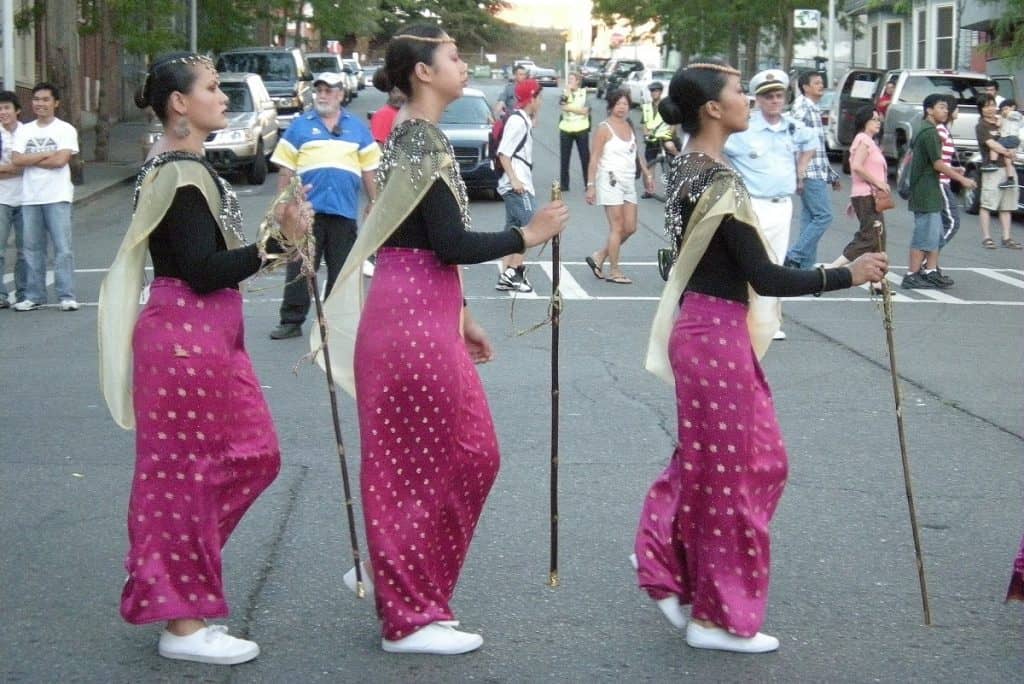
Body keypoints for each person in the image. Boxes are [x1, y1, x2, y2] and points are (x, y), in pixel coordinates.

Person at [317, 24, 568, 655]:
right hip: (409, 319)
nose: (463, 65)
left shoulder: (416, 136)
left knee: (471, 454)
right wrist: (526, 237)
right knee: (418, 464)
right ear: (423, 73)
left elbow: (428, 246)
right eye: (453, 57)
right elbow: (449, 243)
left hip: (425, 309)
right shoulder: (418, 139)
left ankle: (391, 568)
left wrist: (462, 316)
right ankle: (406, 614)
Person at [635, 61, 888, 654]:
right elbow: (764, 275)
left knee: (741, 462)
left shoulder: (689, 165)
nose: (748, 98)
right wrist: (844, 274)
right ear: (713, 110)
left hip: (705, 327)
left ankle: (667, 557)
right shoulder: (716, 180)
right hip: (713, 334)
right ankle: (714, 616)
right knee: (738, 471)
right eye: (738, 91)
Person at [97, 51, 310, 665]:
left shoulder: (189, 167)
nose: (224, 97)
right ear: (178, 105)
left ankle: (168, 575)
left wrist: (276, 237)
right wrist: (278, 243)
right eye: (213, 88)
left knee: (254, 457)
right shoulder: (176, 173)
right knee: (185, 479)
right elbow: (199, 268)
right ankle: (182, 623)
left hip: (208, 334)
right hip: (184, 338)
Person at [268, 72, 380, 339]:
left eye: (329, 90)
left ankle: (333, 322)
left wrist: (375, 202)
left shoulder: (357, 129)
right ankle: (291, 320)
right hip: (306, 212)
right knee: (301, 266)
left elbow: (370, 171)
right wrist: (282, 205)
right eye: (319, 90)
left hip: (343, 212)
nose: (323, 95)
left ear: (341, 94)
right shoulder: (299, 126)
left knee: (341, 270)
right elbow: (285, 170)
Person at [724, 69, 815, 339]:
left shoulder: (792, 126)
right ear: (758, 100)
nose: (775, 101)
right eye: (768, 97)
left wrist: (801, 168)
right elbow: (715, 147)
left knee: (775, 263)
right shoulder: (745, 128)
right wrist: (729, 175)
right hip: (753, 204)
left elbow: (811, 140)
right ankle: (743, 318)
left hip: (782, 204)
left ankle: (769, 323)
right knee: (752, 262)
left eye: (778, 95)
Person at [11, 82, 80, 311]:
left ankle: (66, 295)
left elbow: (61, 161)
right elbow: (17, 160)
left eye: (45, 99)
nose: (40, 104)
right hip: (30, 197)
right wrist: (47, 153)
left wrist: (34, 158)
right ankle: (34, 295)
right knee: (31, 249)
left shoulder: (65, 129)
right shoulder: (24, 130)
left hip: (57, 196)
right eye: (36, 99)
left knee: (63, 248)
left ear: (56, 103)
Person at [902, 94, 979, 289]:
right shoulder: (929, 132)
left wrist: (955, 171)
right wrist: (962, 179)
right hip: (925, 190)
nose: (945, 111)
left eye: (946, 108)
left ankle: (930, 271)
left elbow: (936, 163)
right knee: (923, 235)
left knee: (934, 234)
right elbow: (937, 163)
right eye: (941, 107)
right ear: (929, 110)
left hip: (932, 189)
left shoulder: (929, 130)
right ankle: (912, 274)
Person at [584, 88, 655, 285]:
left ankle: (599, 256)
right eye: (618, 103)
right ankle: (615, 271)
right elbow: (595, 157)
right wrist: (591, 185)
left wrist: (647, 173)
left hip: (628, 180)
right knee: (617, 226)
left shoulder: (629, 125)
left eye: (625, 104)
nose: (622, 107)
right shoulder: (604, 128)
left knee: (630, 227)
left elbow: (636, 152)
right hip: (609, 179)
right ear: (611, 105)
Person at [827, 106, 888, 291]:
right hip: (867, 195)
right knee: (869, 236)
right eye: (874, 119)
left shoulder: (869, 141)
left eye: (879, 119)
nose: (878, 123)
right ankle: (833, 267)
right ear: (865, 122)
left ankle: (877, 280)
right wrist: (878, 182)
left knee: (879, 236)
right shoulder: (863, 139)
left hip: (867, 195)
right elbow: (857, 166)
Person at [785, 71, 841, 270]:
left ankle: (804, 269)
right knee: (823, 216)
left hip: (815, 171)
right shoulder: (802, 108)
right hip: (808, 172)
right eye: (816, 83)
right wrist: (798, 175)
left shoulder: (813, 108)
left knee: (810, 219)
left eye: (821, 82)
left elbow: (818, 149)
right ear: (805, 87)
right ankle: (794, 255)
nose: (821, 85)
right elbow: (794, 140)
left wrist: (831, 175)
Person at [495, 78, 543, 293]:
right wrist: (515, 179)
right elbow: (504, 153)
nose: (541, 101)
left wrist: (534, 114)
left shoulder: (522, 118)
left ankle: (506, 274)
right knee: (530, 227)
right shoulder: (517, 121)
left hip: (517, 183)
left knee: (512, 233)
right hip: (517, 185)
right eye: (539, 97)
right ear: (531, 98)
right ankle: (513, 272)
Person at [976, 93, 1021, 250]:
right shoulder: (982, 126)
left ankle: (1007, 237)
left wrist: (1013, 151)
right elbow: (992, 145)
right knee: (987, 204)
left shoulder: (1002, 120)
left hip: (1008, 167)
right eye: (986, 106)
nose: (990, 109)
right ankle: (987, 237)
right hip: (992, 169)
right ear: (981, 109)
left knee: (1006, 205)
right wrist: (1008, 152)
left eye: (992, 104)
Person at [0, 90, 24, 308]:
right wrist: (19, 166)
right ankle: (1, 295)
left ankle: (23, 292)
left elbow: (31, 165)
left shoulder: (28, 133)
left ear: (17, 110)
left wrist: (11, 168)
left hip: (27, 198)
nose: (2, 112)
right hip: (2, 198)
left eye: (6, 107)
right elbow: (25, 165)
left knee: (25, 249)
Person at [640, 81, 680, 198]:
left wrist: (669, 134)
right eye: (652, 91)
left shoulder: (667, 105)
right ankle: (649, 190)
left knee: (670, 147)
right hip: (652, 139)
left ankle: (681, 159)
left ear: (660, 92)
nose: (654, 93)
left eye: (656, 91)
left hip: (666, 137)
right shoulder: (647, 107)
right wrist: (646, 133)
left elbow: (674, 122)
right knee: (650, 164)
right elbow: (644, 123)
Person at [557, 72, 591, 192]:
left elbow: (586, 110)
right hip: (566, 128)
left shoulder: (584, 93)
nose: (569, 81)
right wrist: (578, 110)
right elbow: (562, 105)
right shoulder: (565, 93)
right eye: (568, 79)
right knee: (564, 158)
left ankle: (589, 183)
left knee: (585, 157)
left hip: (581, 128)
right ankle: (564, 184)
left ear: (578, 81)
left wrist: (570, 108)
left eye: (572, 79)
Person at [984, 98, 1020, 189]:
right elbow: (998, 125)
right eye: (1002, 109)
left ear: (1013, 107)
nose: (1004, 111)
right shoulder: (1004, 117)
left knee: (995, 147)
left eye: (1006, 108)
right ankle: (1010, 179)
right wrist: (1001, 117)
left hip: (1011, 138)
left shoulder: (1016, 114)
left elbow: (1014, 115)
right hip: (1011, 139)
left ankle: (993, 163)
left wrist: (1005, 113)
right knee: (1008, 161)